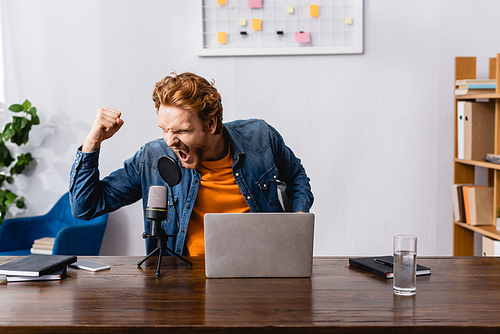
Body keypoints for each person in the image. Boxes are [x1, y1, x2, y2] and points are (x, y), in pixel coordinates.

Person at [69, 72, 314, 256]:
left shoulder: (261, 138)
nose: (170, 141)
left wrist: (300, 216)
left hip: (263, 266)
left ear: (211, 124)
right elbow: (85, 208)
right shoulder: (152, 158)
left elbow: (296, 176)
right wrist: (92, 142)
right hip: (183, 280)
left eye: (182, 131)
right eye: (164, 129)